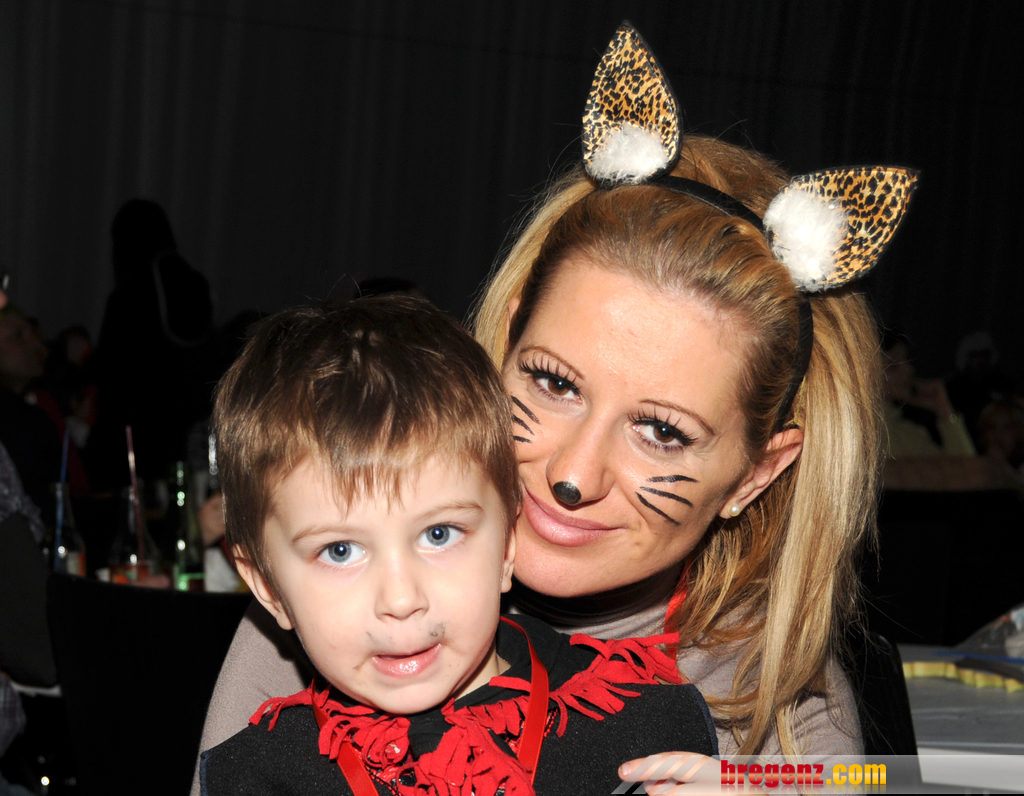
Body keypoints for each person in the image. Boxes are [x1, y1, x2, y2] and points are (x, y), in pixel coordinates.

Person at [194, 24, 917, 786]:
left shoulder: (779, 716)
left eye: (661, 431)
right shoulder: (330, 622)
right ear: (507, 342)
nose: (573, 474)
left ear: (755, 474)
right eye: (555, 383)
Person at [198, 297, 717, 795]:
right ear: (268, 588)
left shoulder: (645, 730)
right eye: (340, 551)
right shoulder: (257, 776)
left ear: (508, 543)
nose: (401, 599)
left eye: (438, 535)